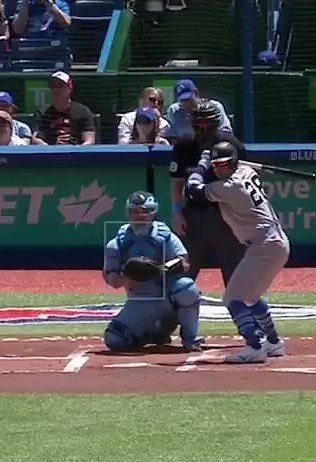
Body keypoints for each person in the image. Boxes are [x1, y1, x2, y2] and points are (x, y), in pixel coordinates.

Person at [184, 142, 289, 364]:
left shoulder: (231, 187)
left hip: (265, 245)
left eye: (222, 165)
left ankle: (254, 345)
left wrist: (202, 165)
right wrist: (214, 161)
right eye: (215, 165)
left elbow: (193, 190)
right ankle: (273, 342)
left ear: (232, 163)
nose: (217, 170)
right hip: (273, 243)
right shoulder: (246, 171)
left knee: (233, 299)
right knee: (251, 297)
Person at [102, 191, 203, 352]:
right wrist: (130, 277)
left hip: (167, 296)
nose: (139, 216)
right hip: (140, 300)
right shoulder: (117, 244)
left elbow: (184, 263)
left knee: (186, 288)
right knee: (114, 340)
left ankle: (190, 337)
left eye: (144, 211)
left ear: (153, 212)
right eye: (134, 211)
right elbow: (111, 279)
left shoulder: (164, 236)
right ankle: (153, 332)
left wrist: (160, 270)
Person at [169, 99, 247, 285]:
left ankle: (243, 311)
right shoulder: (184, 146)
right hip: (195, 215)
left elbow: (243, 181)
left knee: (236, 278)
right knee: (183, 275)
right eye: (199, 126)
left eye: (208, 126)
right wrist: (177, 212)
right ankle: (174, 311)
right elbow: (177, 182)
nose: (204, 130)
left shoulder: (231, 145)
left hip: (227, 215)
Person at [34, 71, 96, 145]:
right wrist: (48, 148)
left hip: (75, 151)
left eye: (60, 85)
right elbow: (36, 139)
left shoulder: (83, 111)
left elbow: (89, 140)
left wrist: (78, 151)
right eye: (53, 85)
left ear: (69, 88)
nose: (56, 89)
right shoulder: (43, 113)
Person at [164, 79, 232, 141]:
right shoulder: (173, 110)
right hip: (185, 150)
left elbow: (227, 132)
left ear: (196, 93)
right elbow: (170, 136)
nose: (186, 103)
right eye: (182, 100)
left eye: (188, 99)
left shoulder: (214, 107)